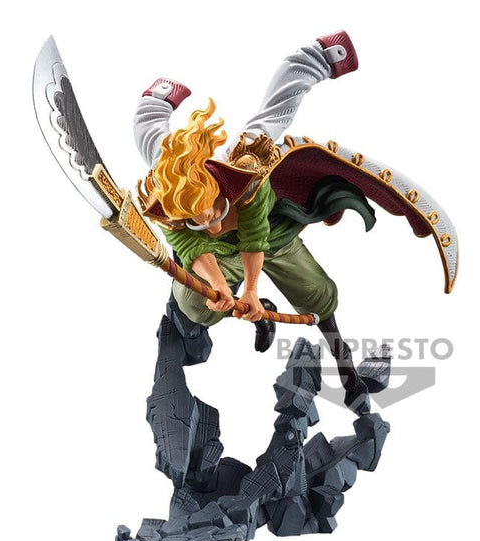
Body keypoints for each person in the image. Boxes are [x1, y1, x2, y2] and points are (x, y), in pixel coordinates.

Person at [133, 31, 373, 415]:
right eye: (195, 219)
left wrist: (322, 57)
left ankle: (347, 371)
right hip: (217, 254)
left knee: (318, 296)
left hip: (271, 237)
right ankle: (256, 312)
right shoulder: (166, 197)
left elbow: (280, 105)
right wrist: (220, 286)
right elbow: (147, 125)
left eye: (212, 211)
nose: (210, 223)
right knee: (195, 306)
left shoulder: (246, 169)